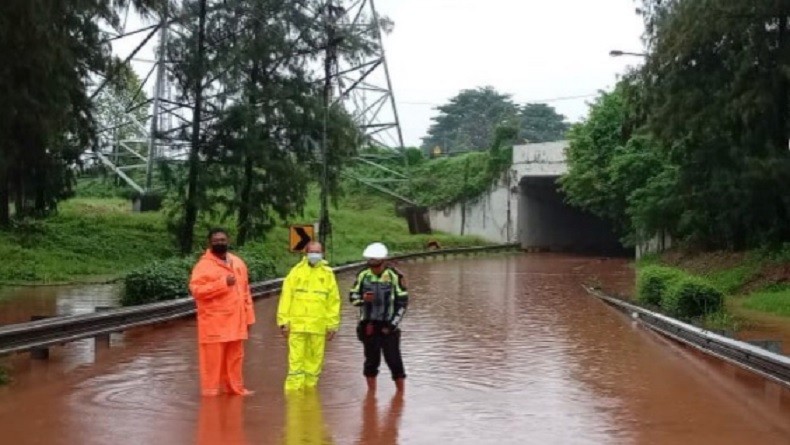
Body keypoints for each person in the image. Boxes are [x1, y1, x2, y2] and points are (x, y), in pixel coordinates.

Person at [188, 228, 255, 397]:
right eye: (216, 240)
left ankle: (235, 390)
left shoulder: (238, 263)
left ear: (228, 240)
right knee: (212, 362)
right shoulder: (203, 266)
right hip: (214, 325)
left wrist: (249, 318)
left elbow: (245, 292)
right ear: (209, 243)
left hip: (236, 323)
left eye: (223, 239)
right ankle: (211, 395)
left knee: (235, 359)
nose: (220, 243)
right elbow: (197, 290)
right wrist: (222, 283)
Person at [277, 241, 341, 391]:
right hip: (297, 326)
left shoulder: (328, 274)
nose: (315, 255)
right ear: (306, 253)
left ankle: (309, 393)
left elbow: (333, 302)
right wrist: (283, 322)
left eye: (318, 252)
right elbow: (286, 297)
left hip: (318, 327)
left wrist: (332, 325)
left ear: (323, 253)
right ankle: (294, 395)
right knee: (295, 363)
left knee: (314, 363)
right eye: (312, 251)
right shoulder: (296, 272)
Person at [349, 242, 409, 393]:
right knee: (371, 362)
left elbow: (402, 303)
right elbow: (352, 297)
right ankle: (371, 396)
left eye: (377, 264)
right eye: (371, 264)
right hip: (368, 326)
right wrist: (363, 299)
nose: (374, 268)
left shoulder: (395, 276)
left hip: (388, 326)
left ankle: (400, 396)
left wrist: (391, 325)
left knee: (394, 362)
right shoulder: (363, 275)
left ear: (384, 262)